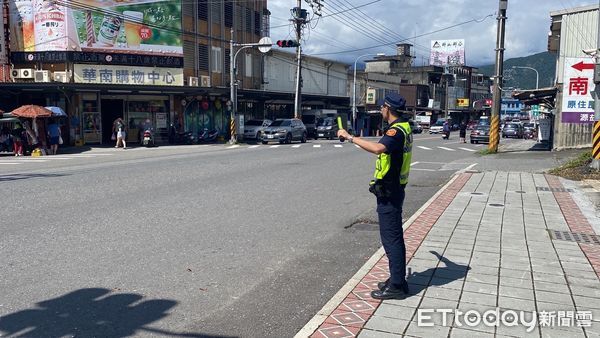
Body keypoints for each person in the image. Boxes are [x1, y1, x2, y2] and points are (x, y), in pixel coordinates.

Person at [337, 92, 413, 300]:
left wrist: (351, 137)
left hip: (390, 190)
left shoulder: (396, 131)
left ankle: (397, 285)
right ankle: (398, 279)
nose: (380, 110)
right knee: (394, 236)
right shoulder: (404, 127)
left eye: (382, 107)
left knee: (391, 238)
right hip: (394, 188)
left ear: (388, 108)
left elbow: (379, 148)